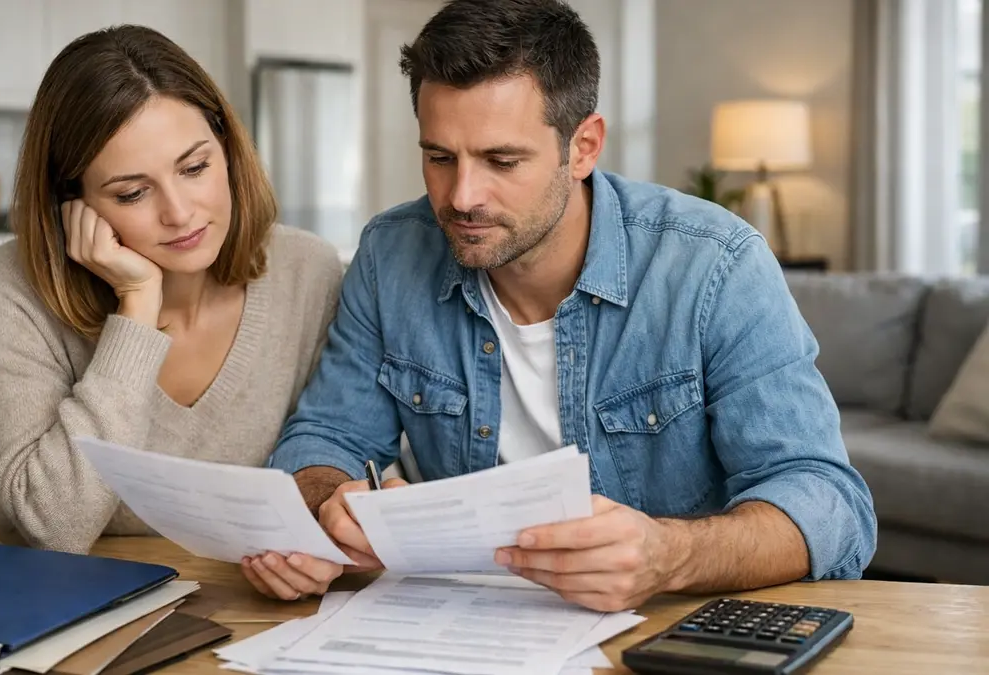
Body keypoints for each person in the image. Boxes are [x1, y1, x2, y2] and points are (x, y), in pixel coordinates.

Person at [244, 0, 877, 610]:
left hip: (662, 631)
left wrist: (670, 555)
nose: (462, 197)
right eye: (439, 158)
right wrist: (331, 501)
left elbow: (829, 501)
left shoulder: (714, 264)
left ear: (584, 147)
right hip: (457, 625)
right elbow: (325, 437)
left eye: (502, 160)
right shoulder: (390, 255)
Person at [0, 25, 345, 554]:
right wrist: (137, 308)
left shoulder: (309, 271)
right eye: (133, 193)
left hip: (230, 591)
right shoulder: (15, 286)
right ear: (74, 201)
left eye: (195, 167)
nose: (180, 213)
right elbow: (55, 526)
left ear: (227, 149)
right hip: (32, 585)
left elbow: (343, 466)